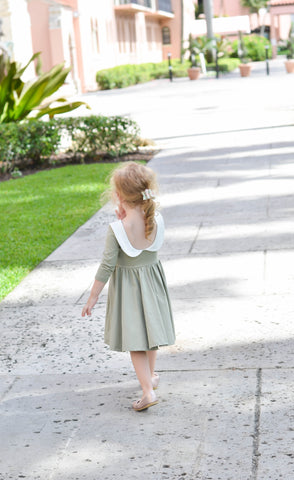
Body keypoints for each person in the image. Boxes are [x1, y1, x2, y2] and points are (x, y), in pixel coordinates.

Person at [82, 162, 175, 411]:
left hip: (130, 294)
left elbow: (106, 266)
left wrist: (92, 297)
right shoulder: (157, 220)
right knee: (150, 338)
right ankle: (151, 377)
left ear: (119, 196)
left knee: (136, 344)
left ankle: (147, 392)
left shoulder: (117, 230)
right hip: (153, 289)